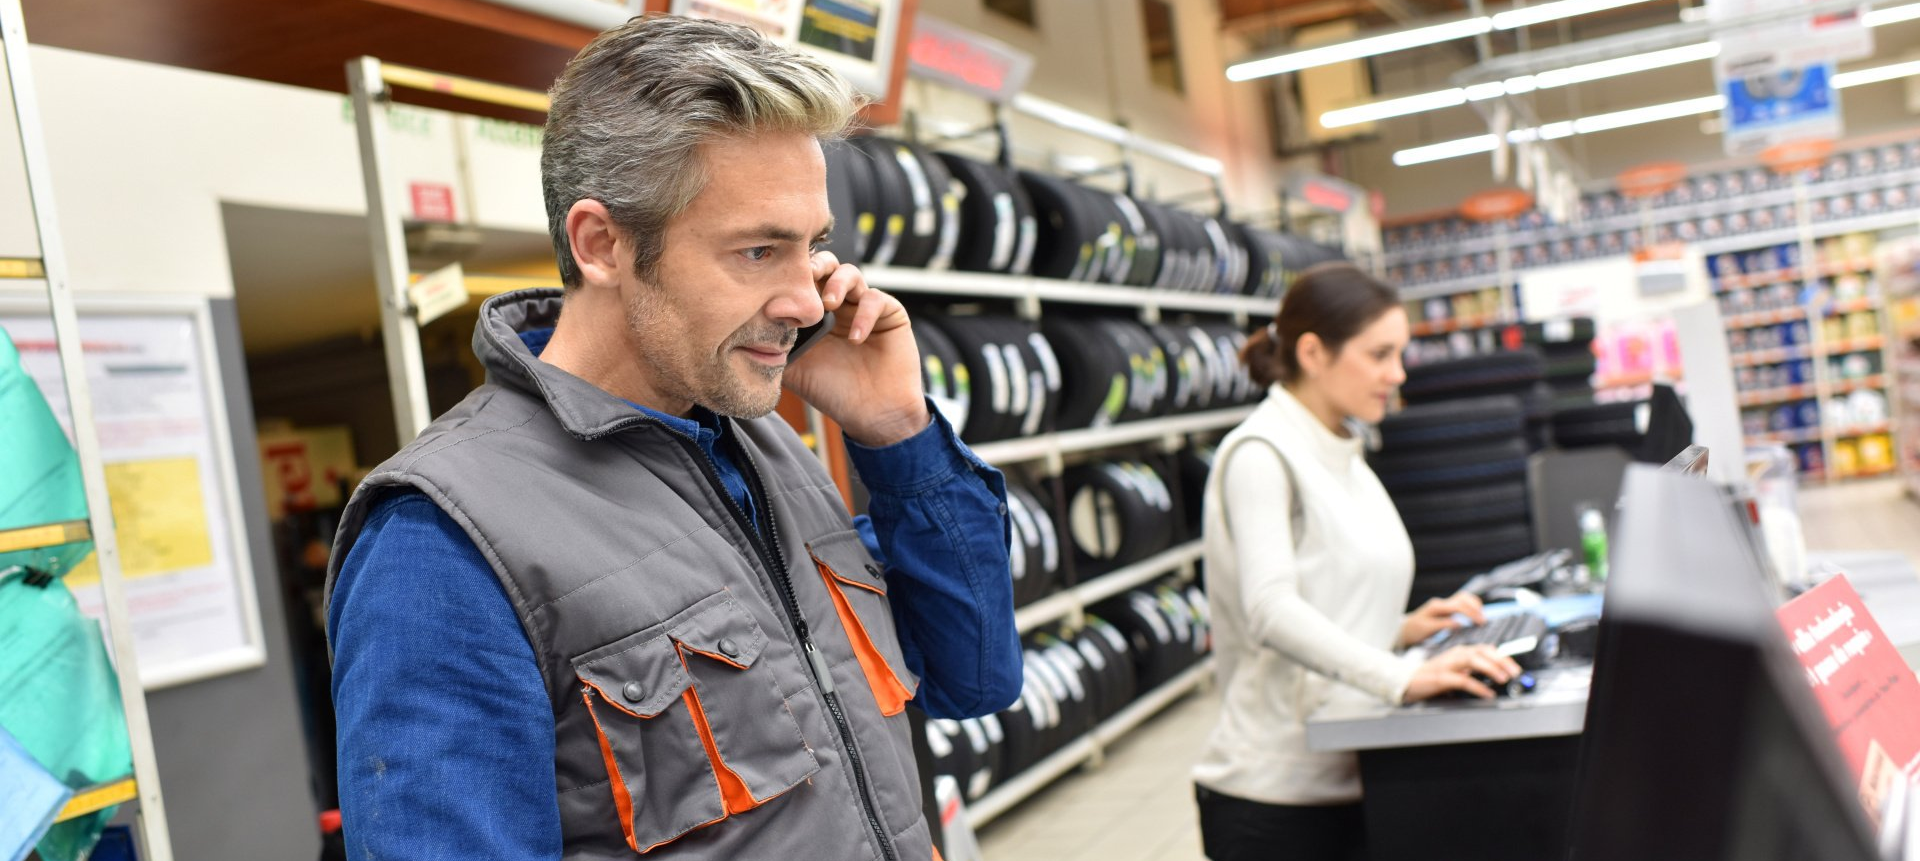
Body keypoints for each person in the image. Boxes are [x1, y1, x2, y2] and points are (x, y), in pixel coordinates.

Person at [324, 15, 1022, 860]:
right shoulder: (441, 540)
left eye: (812, 249)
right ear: (602, 244)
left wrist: (900, 434)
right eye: (760, 251)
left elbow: (973, 675)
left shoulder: (762, 450)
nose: (809, 300)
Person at [1191, 264, 1523, 861]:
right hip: (1275, 802)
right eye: (1380, 354)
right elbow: (1269, 611)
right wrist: (1400, 676)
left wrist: (1403, 628)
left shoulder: (1340, 448)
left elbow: (1323, 593)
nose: (1396, 375)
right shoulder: (1261, 454)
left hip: (1350, 774)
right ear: (1314, 352)